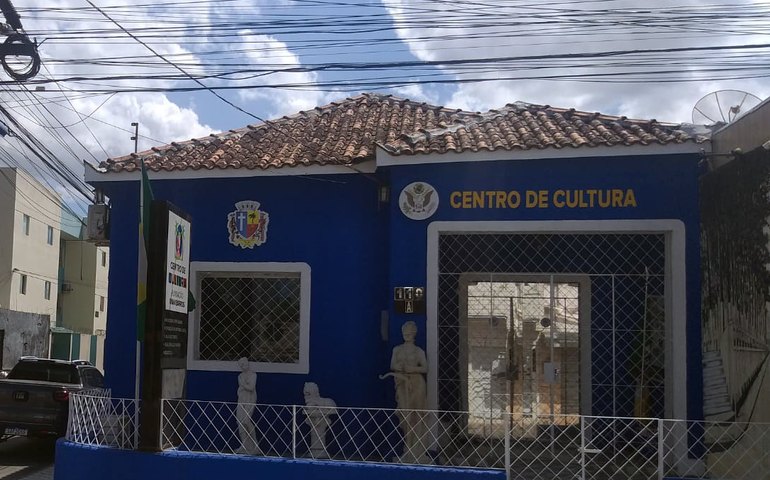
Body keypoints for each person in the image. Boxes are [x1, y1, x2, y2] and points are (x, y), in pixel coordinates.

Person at [381, 321, 430, 464]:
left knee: (417, 415)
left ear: (414, 334)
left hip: (417, 384)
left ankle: (416, 450)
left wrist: (412, 369)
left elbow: (425, 368)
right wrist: (399, 366)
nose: (407, 335)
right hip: (402, 383)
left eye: (410, 333)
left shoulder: (419, 351)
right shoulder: (397, 349)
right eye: (405, 333)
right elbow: (392, 365)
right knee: (405, 415)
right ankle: (408, 448)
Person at [302, 382, 337, 458]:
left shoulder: (324, 401)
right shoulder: (310, 400)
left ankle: (319, 450)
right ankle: (315, 450)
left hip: (322, 418)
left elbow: (310, 407)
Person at [236, 357, 262, 455]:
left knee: (246, 421)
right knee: (240, 422)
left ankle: (255, 446)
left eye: (244, 363)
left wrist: (243, 385)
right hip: (241, 399)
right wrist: (244, 385)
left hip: (250, 399)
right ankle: (244, 445)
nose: (243, 366)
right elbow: (242, 388)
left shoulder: (253, 375)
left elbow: (251, 387)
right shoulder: (240, 376)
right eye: (241, 365)